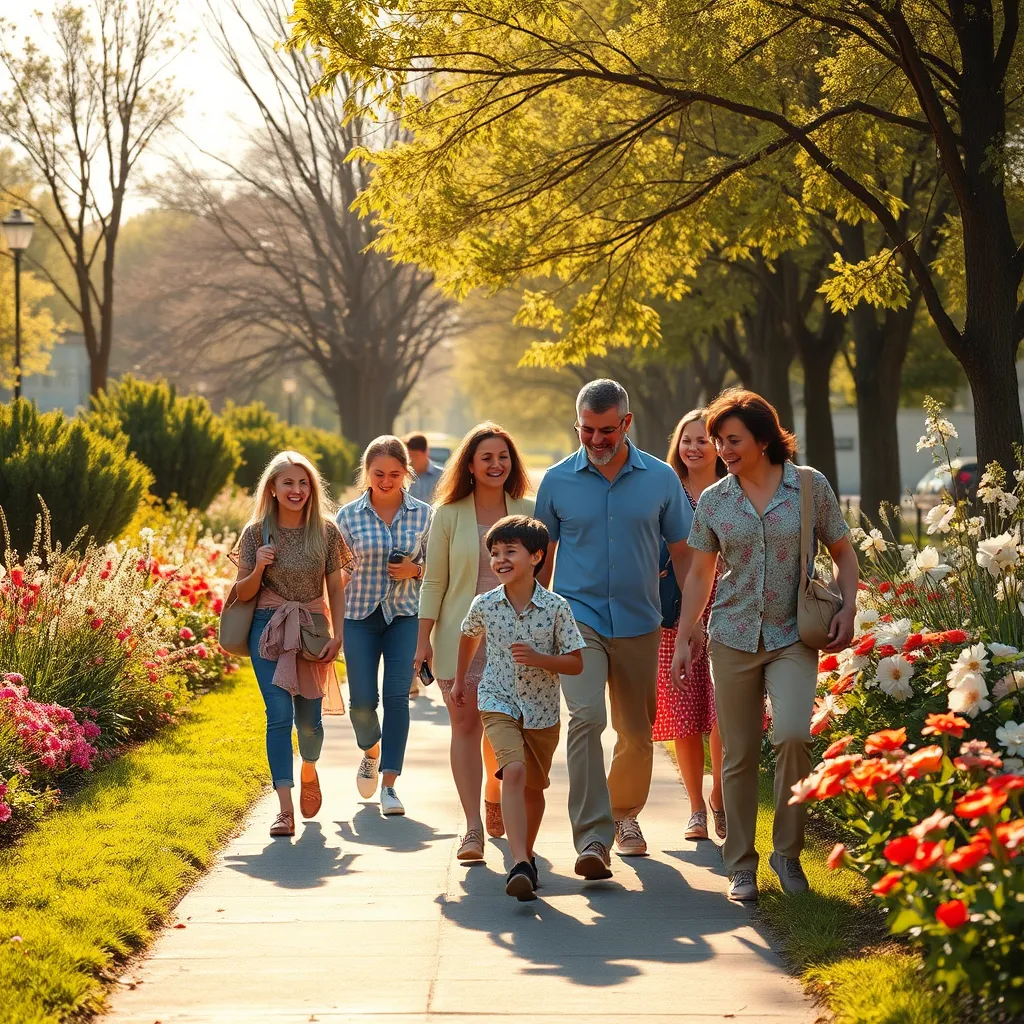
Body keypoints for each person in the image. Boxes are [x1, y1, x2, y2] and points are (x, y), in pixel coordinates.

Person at [671, 388, 858, 903]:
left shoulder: (808, 487)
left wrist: (847, 606)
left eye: (732, 440)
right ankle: (741, 866)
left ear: (762, 437)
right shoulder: (714, 499)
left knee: (794, 734)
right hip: (730, 636)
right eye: (717, 441)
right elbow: (700, 575)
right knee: (738, 754)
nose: (722, 450)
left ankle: (787, 853)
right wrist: (686, 637)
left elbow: (843, 550)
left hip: (792, 634)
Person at [535, 379, 695, 880]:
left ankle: (625, 814)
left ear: (627, 423)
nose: (597, 440)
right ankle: (592, 838)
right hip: (577, 618)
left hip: (639, 620)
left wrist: (691, 626)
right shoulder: (557, 481)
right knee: (586, 719)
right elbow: (541, 562)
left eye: (607, 430)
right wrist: (536, 626)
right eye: (587, 430)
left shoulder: (662, 479)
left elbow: (687, 558)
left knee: (636, 731)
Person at [415, 422, 534, 862]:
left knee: (502, 734)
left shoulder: (529, 508)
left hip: (516, 641)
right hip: (459, 639)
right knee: (465, 727)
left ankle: (493, 790)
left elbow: (544, 576)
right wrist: (422, 640)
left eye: (503, 456)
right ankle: (471, 828)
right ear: (470, 463)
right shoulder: (447, 514)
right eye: (486, 457)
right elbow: (434, 582)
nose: (496, 464)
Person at [454, 516, 586, 900]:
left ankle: (525, 855)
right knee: (512, 770)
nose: (500, 560)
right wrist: (462, 680)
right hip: (497, 700)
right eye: (494, 553)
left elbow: (576, 662)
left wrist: (541, 658)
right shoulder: (485, 604)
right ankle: (519, 864)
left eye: (510, 551)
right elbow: (468, 635)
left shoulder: (556, 607)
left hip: (543, 710)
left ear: (537, 556)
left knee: (533, 787)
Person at [232, 450, 352, 838]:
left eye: (303, 483)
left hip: (313, 628)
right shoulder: (255, 533)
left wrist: (339, 637)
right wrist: (260, 565)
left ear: (311, 488)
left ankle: (309, 768)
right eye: (288, 482)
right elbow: (243, 591)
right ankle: (285, 809)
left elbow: (335, 586)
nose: (296, 490)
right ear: (272, 487)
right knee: (279, 715)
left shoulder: (327, 531)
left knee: (310, 725)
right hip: (268, 630)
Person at [337, 436, 432, 816]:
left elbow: (438, 572)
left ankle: (390, 784)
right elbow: (338, 572)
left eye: (395, 473)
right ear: (367, 473)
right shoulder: (348, 516)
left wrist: (416, 570)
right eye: (379, 474)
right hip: (358, 616)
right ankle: (371, 752)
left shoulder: (425, 515)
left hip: (404, 615)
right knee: (361, 703)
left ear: (406, 473)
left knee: (396, 698)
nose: (387, 480)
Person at [656, 410, 727, 842]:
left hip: (729, 609)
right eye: (687, 439)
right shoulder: (667, 492)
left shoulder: (734, 490)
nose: (694, 447)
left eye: (704, 439)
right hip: (675, 612)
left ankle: (719, 793)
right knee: (684, 712)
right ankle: (696, 808)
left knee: (722, 712)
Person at [407, 433, 445, 503]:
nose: (412, 460)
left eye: (416, 456)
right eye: (410, 456)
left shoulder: (442, 476)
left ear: (426, 452)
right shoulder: (405, 476)